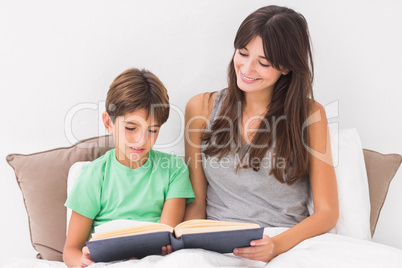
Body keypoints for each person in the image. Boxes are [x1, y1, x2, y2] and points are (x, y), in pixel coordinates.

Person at [184, 5, 339, 263]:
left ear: (286, 67)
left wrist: (275, 245)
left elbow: (327, 212)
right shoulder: (200, 108)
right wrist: (184, 239)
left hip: (285, 241)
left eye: (263, 63)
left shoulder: (311, 115)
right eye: (242, 53)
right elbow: (197, 204)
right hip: (217, 241)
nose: (246, 69)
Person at [63, 68, 195, 267]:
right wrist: (83, 263)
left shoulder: (174, 170)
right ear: (109, 122)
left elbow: (165, 234)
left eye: (152, 130)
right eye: (131, 128)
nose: (141, 140)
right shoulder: (94, 175)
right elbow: (70, 249)